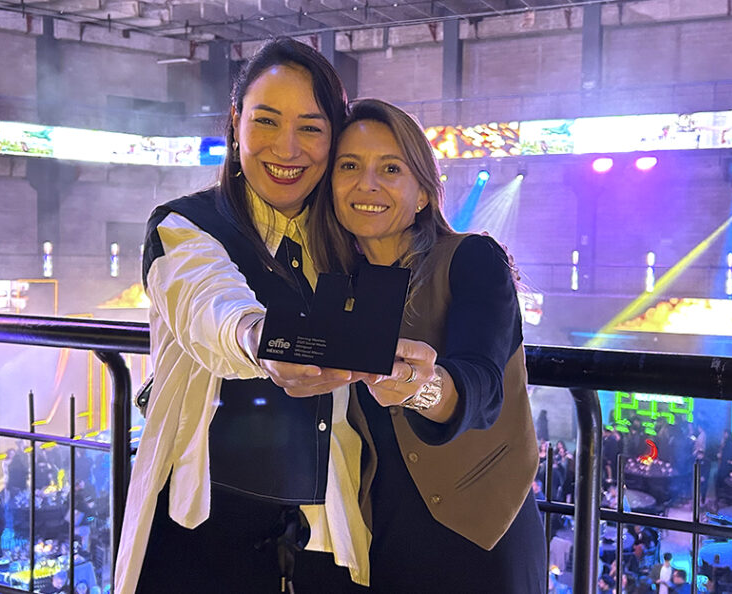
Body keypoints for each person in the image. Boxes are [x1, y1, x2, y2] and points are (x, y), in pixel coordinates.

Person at [116, 38, 370, 594]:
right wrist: (260, 339)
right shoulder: (184, 227)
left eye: (310, 127)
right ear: (236, 122)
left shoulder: (349, 244)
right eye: (266, 121)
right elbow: (210, 302)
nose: (287, 148)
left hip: (325, 532)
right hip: (204, 531)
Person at [311, 98, 545, 592]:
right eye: (349, 166)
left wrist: (424, 387)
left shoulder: (471, 258)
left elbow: (481, 383)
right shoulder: (334, 284)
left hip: (476, 537)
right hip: (379, 536)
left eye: (390, 168)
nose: (367, 183)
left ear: (422, 192)